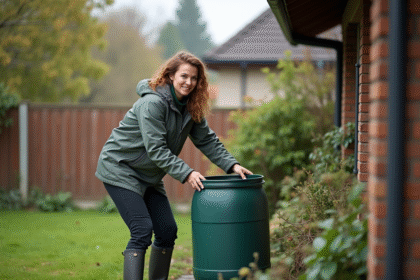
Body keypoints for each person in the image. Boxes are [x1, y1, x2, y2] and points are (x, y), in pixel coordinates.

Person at [95, 51, 252, 280]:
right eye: (184, 76)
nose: (189, 82)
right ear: (170, 76)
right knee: (141, 230)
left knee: (167, 231)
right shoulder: (152, 104)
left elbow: (207, 140)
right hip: (121, 168)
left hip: (148, 175)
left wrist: (232, 165)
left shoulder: (190, 107)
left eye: (194, 78)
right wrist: (187, 173)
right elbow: (156, 149)